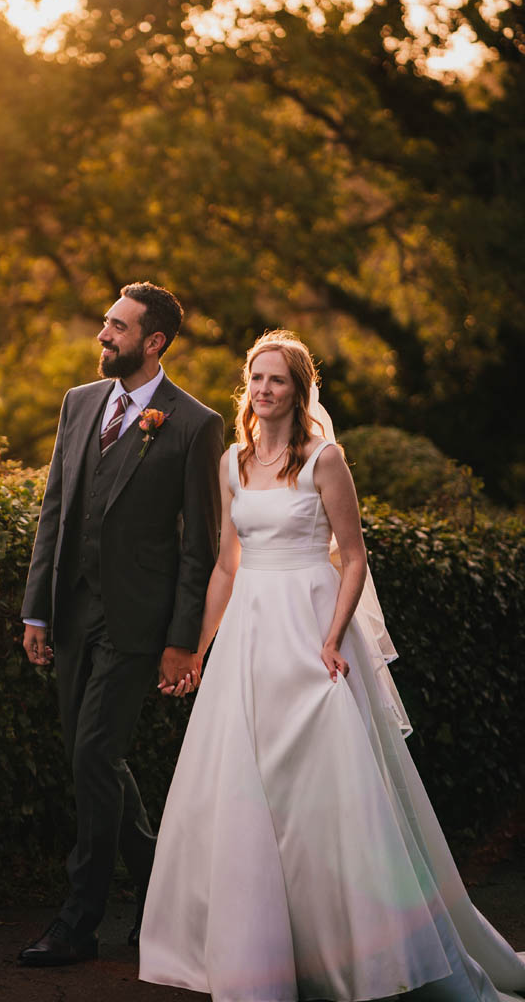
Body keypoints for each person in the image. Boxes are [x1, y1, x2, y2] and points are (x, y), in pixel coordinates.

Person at [140, 330, 525, 1002]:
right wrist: (197, 648)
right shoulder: (232, 462)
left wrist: (331, 638)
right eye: (255, 379)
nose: (263, 390)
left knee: (331, 795)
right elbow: (228, 564)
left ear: (299, 390)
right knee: (243, 788)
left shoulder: (325, 459)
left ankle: (364, 957)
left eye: (277, 380)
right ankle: (264, 953)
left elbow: (353, 556)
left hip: (311, 630)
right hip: (248, 638)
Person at [17, 281, 223, 968]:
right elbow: (55, 510)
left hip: (137, 626)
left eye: (118, 327)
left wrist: (181, 642)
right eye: (106, 324)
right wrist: (38, 608)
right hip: (73, 613)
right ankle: (170, 891)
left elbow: (200, 548)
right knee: (95, 756)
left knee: (93, 755)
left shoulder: (194, 424)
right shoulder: (78, 404)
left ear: (153, 342)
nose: (103, 336)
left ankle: (79, 922)